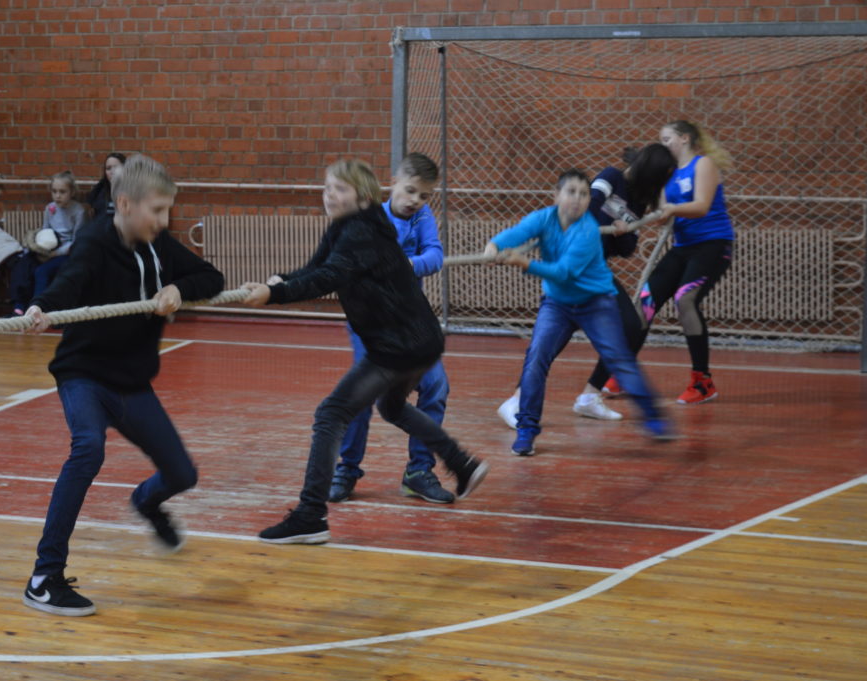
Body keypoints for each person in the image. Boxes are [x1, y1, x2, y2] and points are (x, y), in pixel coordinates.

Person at [242, 159, 488, 544]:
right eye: (327, 188)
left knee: (331, 414)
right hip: (419, 342)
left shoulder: (359, 229)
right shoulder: (350, 226)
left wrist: (275, 294)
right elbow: (317, 267)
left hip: (398, 346)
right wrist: (281, 282)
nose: (329, 195)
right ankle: (461, 462)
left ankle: (310, 515)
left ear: (362, 197)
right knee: (392, 407)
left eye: (340, 189)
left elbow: (329, 277)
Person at [21, 155, 225, 616]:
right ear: (126, 204)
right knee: (88, 449)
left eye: (167, 210)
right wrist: (42, 307)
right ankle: (44, 578)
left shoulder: (158, 244)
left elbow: (212, 277)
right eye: (157, 210)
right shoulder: (95, 242)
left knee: (182, 474)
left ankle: (147, 503)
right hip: (85, 375)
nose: (164, 220)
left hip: (131, 383)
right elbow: (68, 284)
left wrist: (179, 289)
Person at [486, 169, 672, 456]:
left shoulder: (587, 231)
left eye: (583, 194)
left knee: (619, 359)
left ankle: (654, 416)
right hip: (557, 305)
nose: (577, 199)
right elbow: (516, 233)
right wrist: (494, 245)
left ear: (589, 201)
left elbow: (564, 272)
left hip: (596, 303)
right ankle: (527, 430)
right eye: (570, 192)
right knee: (536, 359)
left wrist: (525, 264)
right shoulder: (543, 218)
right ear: (556, 196)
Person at [328, 152, 453, 505]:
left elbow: (435, 257)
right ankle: (346, 469)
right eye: (410, 190)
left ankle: (418, 471)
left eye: (424, 195)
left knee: (436, 385)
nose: (415, 200)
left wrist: (405, 265)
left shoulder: (423, 217)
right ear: (394, 183)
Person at [639, 120, 734, 405]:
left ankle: (702, 381)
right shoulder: (669, 174)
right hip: (682, 247)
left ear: (684, 138)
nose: (663, 144)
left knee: (685, 298)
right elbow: (664, 217)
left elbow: (701, 205)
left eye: (667, 138)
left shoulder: (703, 165)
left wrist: (672, 208)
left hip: (712, 244)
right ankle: (623, 370)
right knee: (645, 300)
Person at [29, 170, 87, 301]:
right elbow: (45, 231)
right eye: (54, 191)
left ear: (72, 192)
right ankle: (19, 306)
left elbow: (77, 241)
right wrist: (40, 248)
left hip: (67, 253)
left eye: (62, 192)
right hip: (49, 249)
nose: (57, 196)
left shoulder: (79, 211)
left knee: (41, 271)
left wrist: (55, 253)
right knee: (25, 264)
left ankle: (38, 306)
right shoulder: (50, 208)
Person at [85, 152, 126, 219]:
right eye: (108, 168)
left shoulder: (131, 190)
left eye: (116, 167)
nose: (112, 171)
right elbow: (87, 205)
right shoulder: (101, 187)